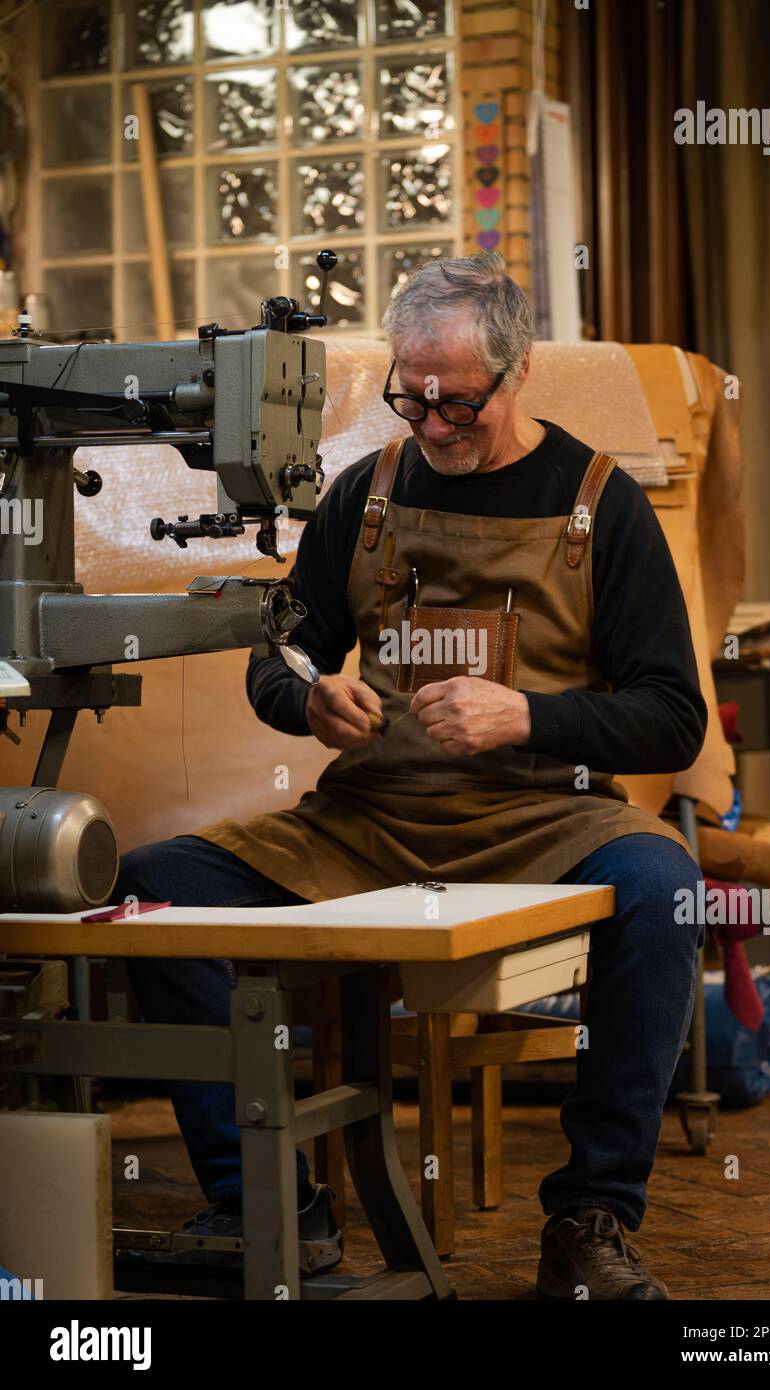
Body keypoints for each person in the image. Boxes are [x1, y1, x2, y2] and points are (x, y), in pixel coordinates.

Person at [118, 251, 707, 1299]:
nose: (430, 427)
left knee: (664, 893)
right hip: (370, 822)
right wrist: (304, 697)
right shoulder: (365, 495)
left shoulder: (600, 508)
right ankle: (265, 1201)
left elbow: (670, 717)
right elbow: (283, 648)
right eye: (411, 399)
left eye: (457, 405)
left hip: (542, 819)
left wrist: (531, 713)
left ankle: (588, 1220)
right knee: (151, 885)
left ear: (516, 372)